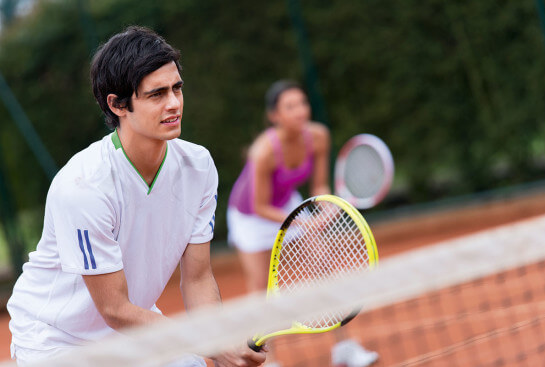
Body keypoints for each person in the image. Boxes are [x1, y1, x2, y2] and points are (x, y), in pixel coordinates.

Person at [6, 26, 266, 367]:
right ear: (118, 105)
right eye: (156, 94)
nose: (174, 104)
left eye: (177, 89)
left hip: (132, 329)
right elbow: (114, 309)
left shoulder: (198, 166)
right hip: (56, 342)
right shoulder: (84, 187)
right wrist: (209, 344)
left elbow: (198, 277)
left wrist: (217, 339)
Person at [227, 80, 378, 367]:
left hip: (287, 204)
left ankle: (344, 348)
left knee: (325, 268)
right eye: (290, 106)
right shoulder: (264, 151)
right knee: (262, 290)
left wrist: (325, 208)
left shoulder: (318, 136)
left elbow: (318, 184)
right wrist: (303, 223)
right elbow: (260, 206)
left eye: (302, 103)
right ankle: (270, 362)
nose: (300, 111)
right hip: (250, 218)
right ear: (274, 116)